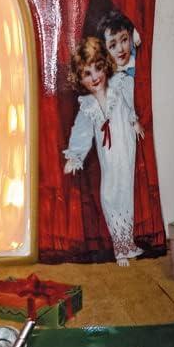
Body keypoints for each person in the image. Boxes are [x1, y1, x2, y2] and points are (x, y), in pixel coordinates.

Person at [62, 35, 144, 265]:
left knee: (126, 193)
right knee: (109, 194)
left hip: (126, 147)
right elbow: (81, 132)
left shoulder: (118, 85)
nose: (95, 77)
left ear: (105, 66)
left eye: (98, 68)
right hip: (108, 155)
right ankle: (120, 247)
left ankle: (127, 244)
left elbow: (130, 103)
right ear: (80, 78)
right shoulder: (88, 105)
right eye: (87, 73)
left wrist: (134, 121)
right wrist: (75, 156)